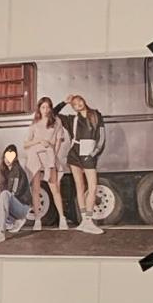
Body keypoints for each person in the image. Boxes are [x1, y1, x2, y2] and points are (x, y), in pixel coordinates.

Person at [58, 93, 106, 235]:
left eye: (79, 101)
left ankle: (89, 221)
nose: (78, 104)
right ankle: (85, 221)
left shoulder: (96, 115)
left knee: (93, 187)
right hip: (74, 155)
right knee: (80, 187)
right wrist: (64, 102)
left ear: (83, 101)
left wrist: (93, 154)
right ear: (72, 107)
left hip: (89, 154)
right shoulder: (71, 119)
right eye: (74, 104)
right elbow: (52, 114)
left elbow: (101, 138)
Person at [22, 97, 68, 231]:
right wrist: (38, 141)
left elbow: (58, 141)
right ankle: (37, 220)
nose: (45, 110)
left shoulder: (56, 122)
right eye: (43, 107)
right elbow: (26, 144)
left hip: (49, 156)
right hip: (35, 156)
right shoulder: (34, 124)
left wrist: (53, 154)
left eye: (48, 107)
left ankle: (62, 218)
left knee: (55, 188)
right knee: (36, 189)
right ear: (39, 109)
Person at [0, 144, 31, 245]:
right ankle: (13, 223)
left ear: (15, 158)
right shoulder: (5, 171)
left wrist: (4, 208)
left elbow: (14, 194)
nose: (8, 160)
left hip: (21, 207)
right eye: (6, 157)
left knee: (5, 194)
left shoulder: (17, 170)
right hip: (11, 205)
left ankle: (0, 232)